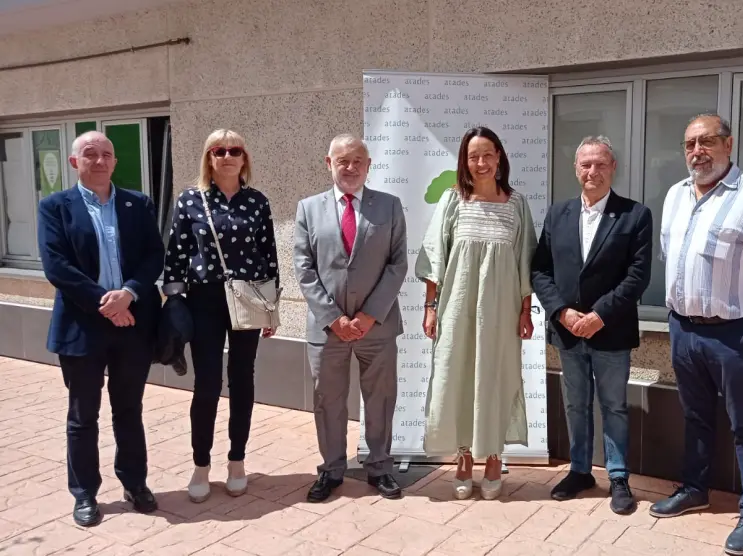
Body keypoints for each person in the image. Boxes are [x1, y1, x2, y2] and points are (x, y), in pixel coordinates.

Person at [651, 114, 743, 556]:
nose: (698, 151)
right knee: (695, 417)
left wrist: (741, 299)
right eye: (690, 144)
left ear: (728, 145)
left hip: (735, 333)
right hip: (683, 328)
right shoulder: (676, 195)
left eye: (708, 141)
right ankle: (695, 488)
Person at [38, 131, 164, 526]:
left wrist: (128, 293)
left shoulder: (137, 203)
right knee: (83, 415)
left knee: (129, 410)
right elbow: (57, 267)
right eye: (90, 154)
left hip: (132, 324)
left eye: (106, 154)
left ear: (114, 162)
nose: (99, 160)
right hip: (82, 327)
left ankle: (134, 481)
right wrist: (107, 304)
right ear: (75, 162)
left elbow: (153, 256)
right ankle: (85, 494)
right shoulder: (54, 207)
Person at [531, 135, 652, 515]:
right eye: (586, 164)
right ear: (576, 169)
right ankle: (580, 470)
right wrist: (562, 312)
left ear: (613, 168)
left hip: (610, 331)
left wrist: (600, 315)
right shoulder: (558, 214)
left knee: (614, 405)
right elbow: (540, 269)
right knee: (576, 404)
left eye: (601, 164)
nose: (593, 171)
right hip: (568, 331)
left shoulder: (635, 215)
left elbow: (637, 276)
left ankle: (618, 477)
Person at [416, 126, 537, 501]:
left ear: (499, 156)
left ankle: (495, 456)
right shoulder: (453, 201)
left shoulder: (517, 203)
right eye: (473, 156)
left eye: (487, 154)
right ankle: (465, 456)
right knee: (459, 375)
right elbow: (436, 256)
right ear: (464, 162)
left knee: (497, 376)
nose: (481, 163)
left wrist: (525, 311)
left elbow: (526, 263)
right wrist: (431, 307)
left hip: (501, 312)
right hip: (457, 306)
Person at [162, 129, 280, 503]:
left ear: (244, 158)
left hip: (247, 298)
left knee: (242, 378)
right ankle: (201, 464)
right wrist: (175, 300)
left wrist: (272, 308)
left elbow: (269, 254)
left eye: (234, 150)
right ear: (209, 158)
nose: (227, 156)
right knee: (208, 383)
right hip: (205, 299)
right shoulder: (190, 200)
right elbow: (176, 254)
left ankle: (237, 460)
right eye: (219, 150)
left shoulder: (257, 202)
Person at [293, 134, 407, 501]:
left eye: (358, 160)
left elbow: (397, 263)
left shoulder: (389, 206)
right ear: (328, 164)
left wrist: (370, 316)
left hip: (378, 325)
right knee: (328, 400)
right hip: (329, 330)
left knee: (380, 398)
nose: (351, 167)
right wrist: (334, 318)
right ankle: (331, 470)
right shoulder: (308, 208)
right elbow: (304, 267)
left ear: (368, 164)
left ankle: (380, 468)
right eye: (342, 160)